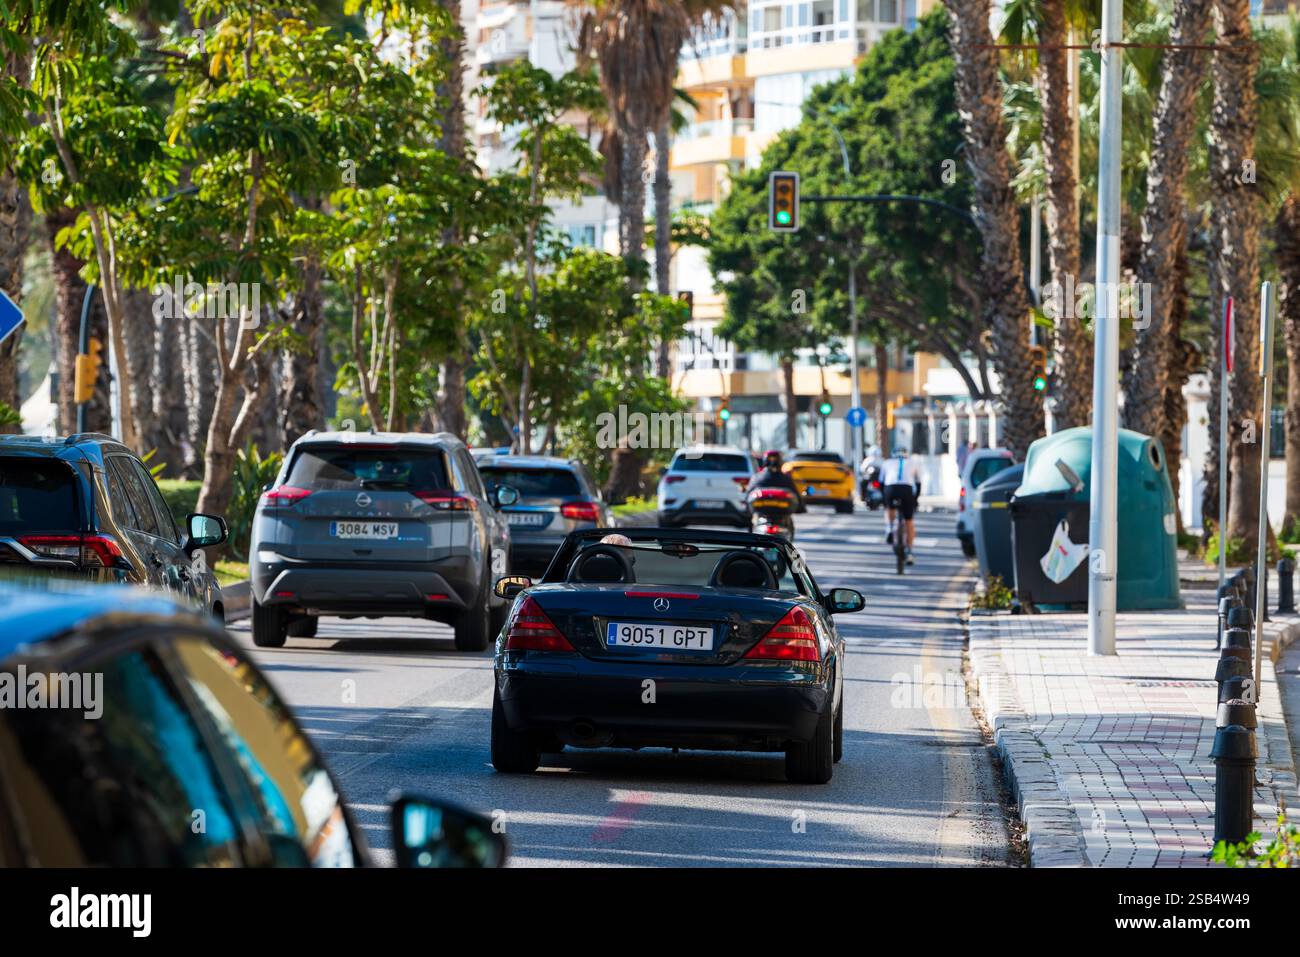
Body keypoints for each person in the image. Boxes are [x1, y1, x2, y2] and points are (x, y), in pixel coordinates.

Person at [881, 448, 922, 565]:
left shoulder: (887, 463)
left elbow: (881, 482)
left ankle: (889, 528)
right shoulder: (913, 463)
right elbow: (918, 483)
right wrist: (915, 499)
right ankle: (909, 552)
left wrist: (885, 500)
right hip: (906, 490)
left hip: (890, 488)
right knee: (909, 521)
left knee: (889, 508)